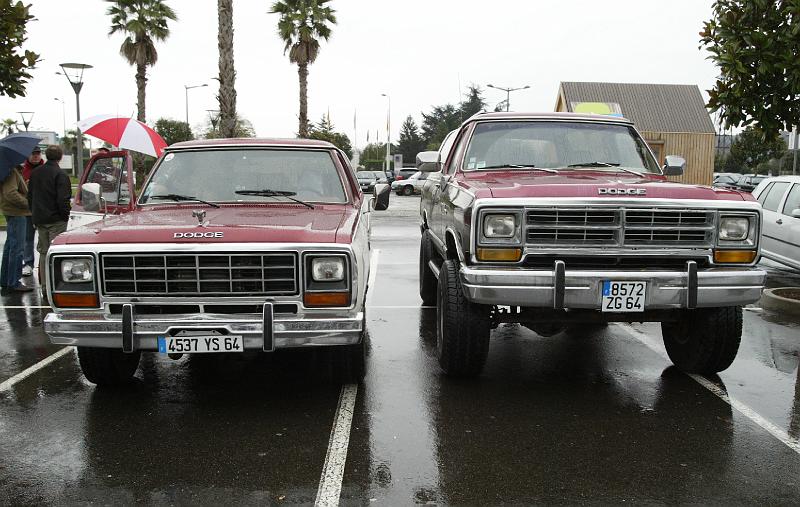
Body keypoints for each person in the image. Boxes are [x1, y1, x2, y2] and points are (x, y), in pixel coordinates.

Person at [27, 145, 71, 287]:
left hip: (40, 218)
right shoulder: (60, 174)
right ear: (60, 157)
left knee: (44, 252)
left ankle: (45, 285)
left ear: (46, 156)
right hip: (56, 219)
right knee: (56, 253)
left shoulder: (35, 173)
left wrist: (34, 214)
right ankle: (55, 286)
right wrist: (65, 216)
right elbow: (62, 199)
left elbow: (30, 196)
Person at [0, 164, 34, 292]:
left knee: (10, 247)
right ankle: (13, 282)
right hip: (17, 213)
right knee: (17, 248)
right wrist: (28, 203)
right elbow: (10, 193)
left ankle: (6, 280)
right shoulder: (12, 171)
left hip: (11, 212)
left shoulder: (10, 170)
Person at [21, 146, 43, 277]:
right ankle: (28, 263)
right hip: (27, 210)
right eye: (33, 153)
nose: (35, 156)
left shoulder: (45, 168)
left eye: (37, 153)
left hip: (42, 210)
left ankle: (43, 265)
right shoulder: (23, 170)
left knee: (44, 239)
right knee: (28, 239)